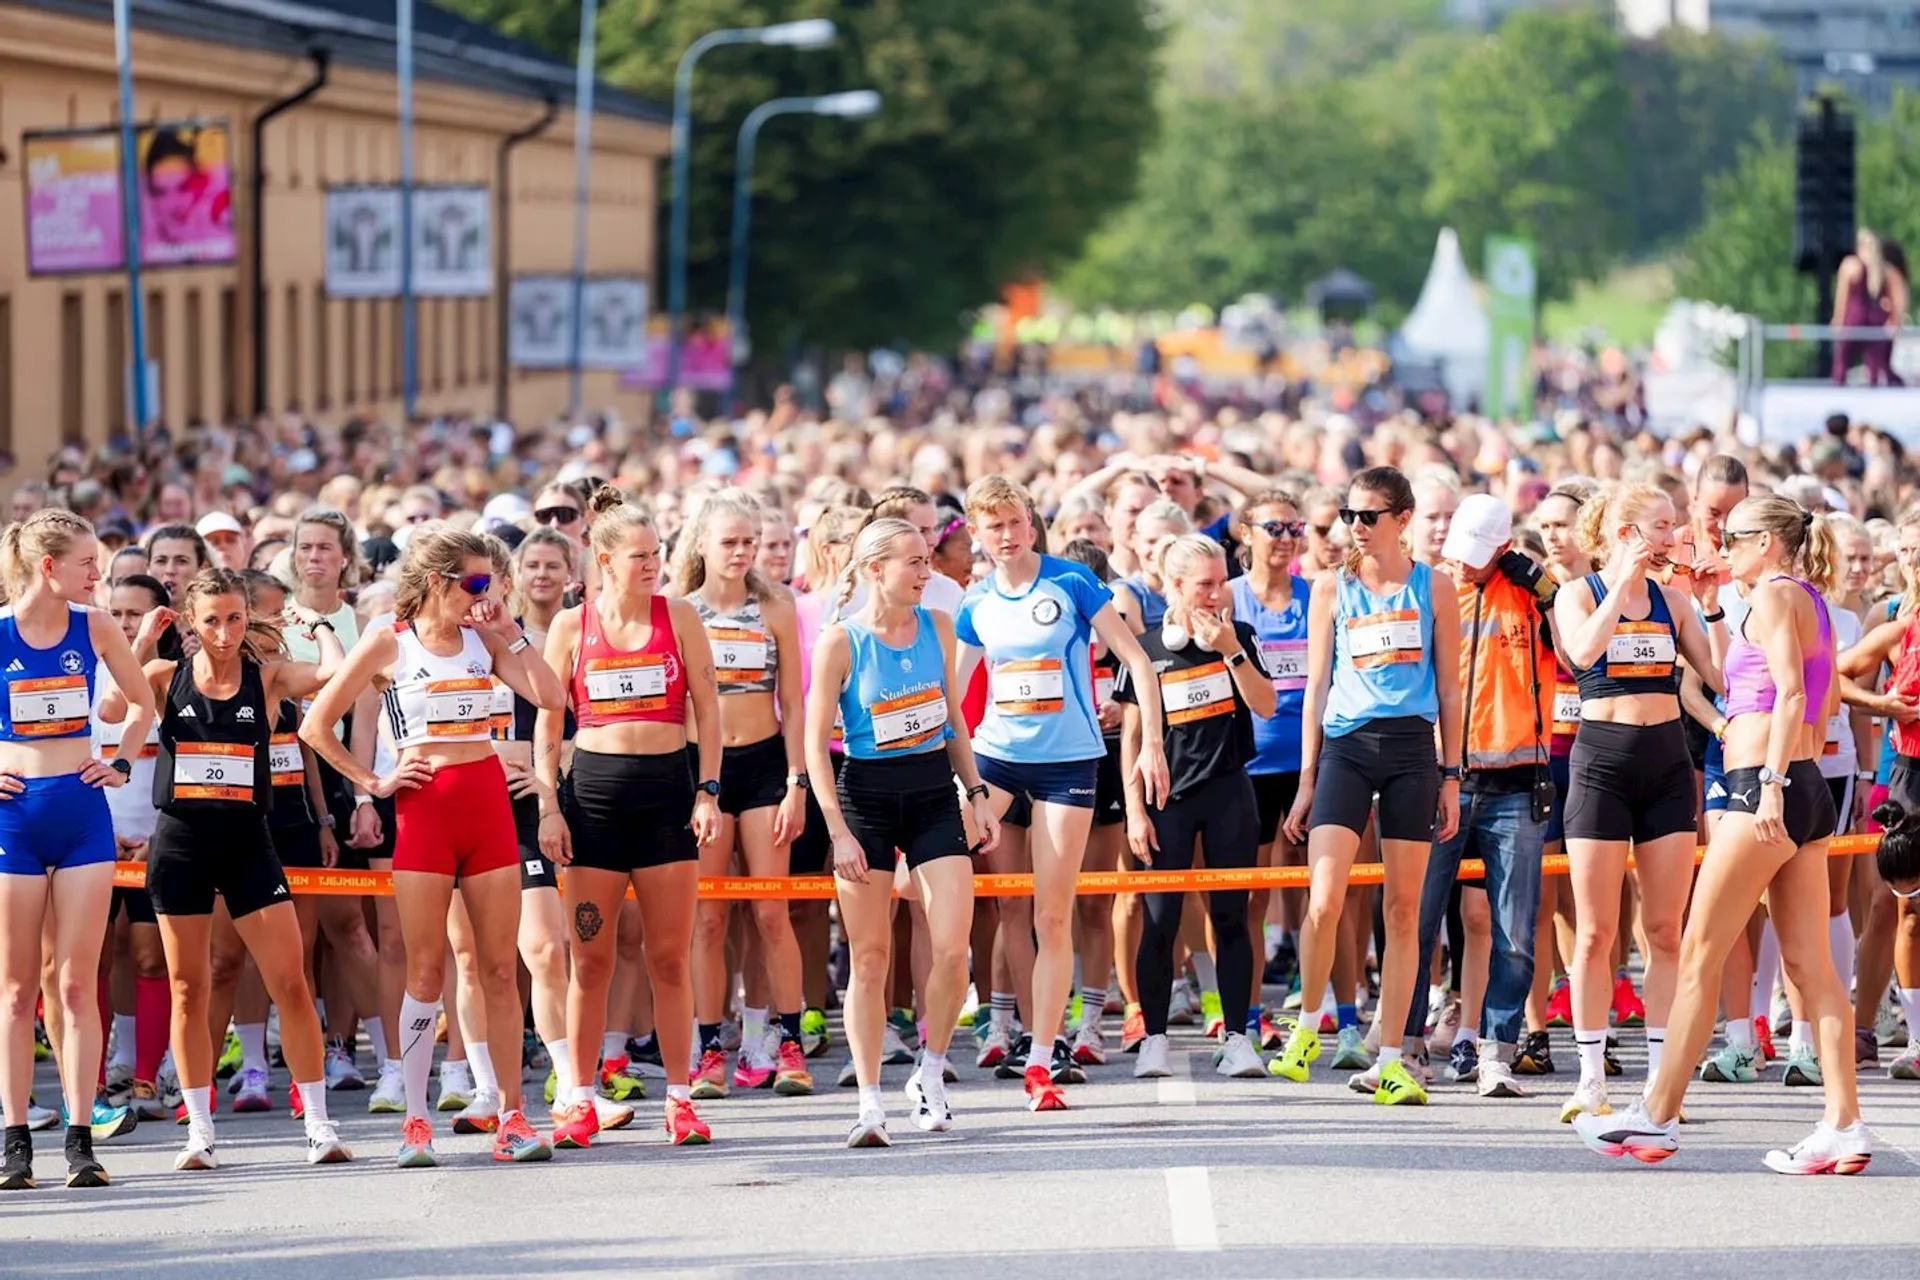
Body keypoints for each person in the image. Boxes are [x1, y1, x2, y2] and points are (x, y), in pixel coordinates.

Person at [1576, 495, 1869, 1174]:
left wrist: (1765, 780)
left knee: (1699, 954)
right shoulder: (1805, 599)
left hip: (1761, 795)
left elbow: (1794, 695)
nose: (1718, 548)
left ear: (1766, 541)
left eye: (1732, 538)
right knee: (1809, 967)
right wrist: (1711, 607)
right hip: (1806, 790)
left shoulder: (1771, 595)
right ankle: (1844, 1125)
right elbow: (1799, 698)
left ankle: (1656, 1116)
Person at [300, 528, 563, 1167]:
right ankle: (416, 1118)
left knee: (502, 969)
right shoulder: (389, 638)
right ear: (440, 581)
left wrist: (511, 628)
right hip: (423, 808)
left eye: (491, 583)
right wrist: (372, 783)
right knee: (426, 969)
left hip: (486, 805)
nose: (486, 594)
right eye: (477, 583)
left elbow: (553, 697)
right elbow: (315, 724)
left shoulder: (485, 638)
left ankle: (511, 1115)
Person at [102, 567, 350, 1170]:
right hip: (182, 842)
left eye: (234, 618)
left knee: (290, 980)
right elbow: (113, 706)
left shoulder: (265, 679)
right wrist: (141, 643)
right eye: (210, 620)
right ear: (190, 621)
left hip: (247, 842)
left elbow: (336, 675)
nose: (223, 632)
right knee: (189, 985)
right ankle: (200, 1131)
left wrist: (316, 625)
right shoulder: (166, 675)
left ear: (248, 619)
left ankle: (318, 1123)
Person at [955, 475, 1170, 1111]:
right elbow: (949, 693)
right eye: (993, 525)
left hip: (1068, 763)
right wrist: (948, 773)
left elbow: (1137, 660)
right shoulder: (976, 602)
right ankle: (941, 1049)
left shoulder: (1070, 581)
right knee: (934, 881)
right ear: (978, 533)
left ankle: (1044, 1058)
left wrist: (1150, 743)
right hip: (996, 760)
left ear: (1031, 522)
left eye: (1016, 520)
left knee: (1053, 913)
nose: (1008, 534)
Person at [536, 486, 722, 1150]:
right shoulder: (570, 625)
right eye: (639, 555)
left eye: (658, 553)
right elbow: (547, 723)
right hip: (594, 801)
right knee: (590, 959)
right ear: (604, 559)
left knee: (669, 957)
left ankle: (681, 1097)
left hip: (668, 795)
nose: (652, 564)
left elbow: (711, 708)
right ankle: (579, 1099)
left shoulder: (681, 616)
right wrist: (550, 804)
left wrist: (708, 792)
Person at [807, 518, 999, 1146]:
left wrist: (976, 795)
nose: (927, 573)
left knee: (952, 948)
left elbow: (953, 726)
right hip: (863, 799)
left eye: (927, 561)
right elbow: (813, 749)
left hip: (932, 796)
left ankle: (931, 1071)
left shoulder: (938, 626)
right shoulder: (841, 641)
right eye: (914, 563)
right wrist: (837, 831)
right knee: (869, 958)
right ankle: (867, 1101)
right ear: (875, 570)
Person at [1274, 467, 1462, 1106]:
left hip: (1412, 748)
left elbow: (1450, 688)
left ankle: (1391, 1055)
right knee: (1324, 898)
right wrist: (1307, 780)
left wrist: (1452, 774)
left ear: (1401, 520)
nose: (1354, 526)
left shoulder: (1435, 587)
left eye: (1368, 515)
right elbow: (1316, 688)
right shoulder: (1331, 586)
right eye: (1349, 515)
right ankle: (1305, 1031)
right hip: (1347, 749)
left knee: (1404, 911)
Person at [1553, 481, 1723, 1123]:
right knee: (1596, 932)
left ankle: (1661, 1084)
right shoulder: (1578, 593)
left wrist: (1706, 608)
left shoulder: (1674, 601)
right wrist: (1621, 580)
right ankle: (1590, 1078)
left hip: (1666, 764)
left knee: (1663, 932)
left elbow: (1720, 677)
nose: (1673, 537)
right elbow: (1583, 652)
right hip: (1600, 761)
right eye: (1660, 526)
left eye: (1674, 525)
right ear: (1625, 532)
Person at [0, 511, 156, 1191]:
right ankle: (13, 1142)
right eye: (89, 564)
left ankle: (80, 1136)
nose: (101, 574)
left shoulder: (92, 625)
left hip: (81, 813)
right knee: (14, 990)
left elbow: (144, 702)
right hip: (14, 817)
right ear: (48, 566)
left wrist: (119, 763)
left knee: (73, 982)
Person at [1400, 494, 1553, 1099]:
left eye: (1476, 554)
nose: (1462, 564)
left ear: (1503, 547)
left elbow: (1576, 655)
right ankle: (1407, 1049)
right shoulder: (1435, 590)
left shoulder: (1535, 594)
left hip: (1518, 780)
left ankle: (1496, 1052)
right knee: (1417, 921)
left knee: (1514, 933)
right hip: (1443, 777)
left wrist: (1546, 588)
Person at [670, 490, 812, 1099]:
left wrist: (796, 783)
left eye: (748, 541)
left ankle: (785, 1041)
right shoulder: (680, 611)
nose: (740, 552)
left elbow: (797, 704)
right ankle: (708, 1046)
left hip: (763, 765)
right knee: (707, 917)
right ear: (702, 542)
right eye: (729, 541)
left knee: (770, 910)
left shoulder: (775, 607)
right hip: (704, 770)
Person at [1122, 535, 1276, 1082]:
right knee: (1160, 922)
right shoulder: (1145, 648)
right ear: (1177, 586)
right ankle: (1155, 1040)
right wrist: (1135, 812)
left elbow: (1266, 703)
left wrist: (1230, 648)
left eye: (1221, 584)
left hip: (1230, 790)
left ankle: (1238, 1037)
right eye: (1204, 586)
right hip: (1166, 799)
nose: (1215, 595)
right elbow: (1132, 735)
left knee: (1231, 917)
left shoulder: (1241, 636)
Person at [1227, 492, 1312, 1056]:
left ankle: (1324, 1009)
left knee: (1319, 893)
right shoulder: (1227, 596)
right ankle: (1249, 1013)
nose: (1284, 537)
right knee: (1252, 898)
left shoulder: (1315, 593)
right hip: (1249, 763)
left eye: (1293, 527)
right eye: (1273, 527)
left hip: (1309, 761)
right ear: (1245, 534)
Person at [1832, 227, 1908, 387]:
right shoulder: (1886, 270)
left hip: (1854, 319)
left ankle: (1837, 396)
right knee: (1877, 368)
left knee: (1842, 363)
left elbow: (1842, 297)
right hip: (1877, 321)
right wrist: (1894, 321)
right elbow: (1900, 298)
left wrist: (1838, 319)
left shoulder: (1850, 266)